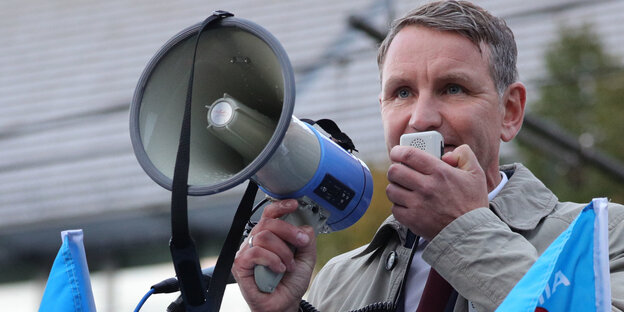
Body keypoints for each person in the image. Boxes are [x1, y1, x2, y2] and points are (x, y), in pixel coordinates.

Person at [231, 1, 624, 311]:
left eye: (453, 88)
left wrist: (465, 229)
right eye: (402, 92)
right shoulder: (337, 279)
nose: (421, 119)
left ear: (510, 112)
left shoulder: (604, 235)